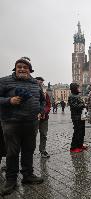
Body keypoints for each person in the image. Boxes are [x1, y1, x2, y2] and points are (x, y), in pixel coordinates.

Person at [0, 57, 45, 196]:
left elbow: (42, 100)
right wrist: (9, 100)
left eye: (25, 67)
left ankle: (27, 175)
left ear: (30, 70)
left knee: (28, 150)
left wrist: (40, 111)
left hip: (31, 123)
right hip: (11, 123)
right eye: (19, 66)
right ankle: (11, 180)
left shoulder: (35, 83)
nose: (22, 69)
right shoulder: (5, 81)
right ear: (15, 68)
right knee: (12, 153)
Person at [35, 77, 51, 158]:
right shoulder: (32, 91)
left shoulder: (45, 93)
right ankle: (29, 151)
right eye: (39, 81)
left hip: (44, 117)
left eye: (41, 82)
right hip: (34, 117)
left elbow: (48, 104)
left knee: (44, 134)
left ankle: (43, 150)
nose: (40, 83)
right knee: (32, 136)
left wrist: (44, 112)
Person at [68, 83, 86, 153]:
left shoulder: (77, 95)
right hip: (76, 116)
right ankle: (73, 147)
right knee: (77, 132)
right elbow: (74, 106)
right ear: (74, 88)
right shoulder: (72, 96)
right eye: (78, 88)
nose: (79, 89)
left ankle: (80, 145)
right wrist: (83, 105)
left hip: (81, 116)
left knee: (82, 131)